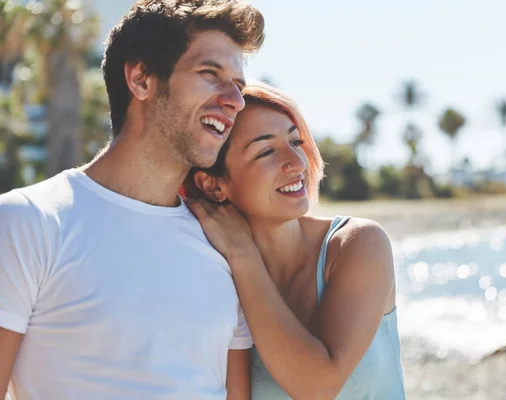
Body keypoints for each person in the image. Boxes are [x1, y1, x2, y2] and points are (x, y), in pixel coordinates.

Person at [0, 1, 264, 399]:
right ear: (141, 79)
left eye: (239, 87)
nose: (235, 101)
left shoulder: (226, 243)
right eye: (211, 74)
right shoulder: (28, 221)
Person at [184, 82, 406, 399]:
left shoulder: (357, 244)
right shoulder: (215, 276)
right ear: (213, 185)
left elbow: (318, 385)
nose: (297, 163)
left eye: (295, 141)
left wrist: (243, 253)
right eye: (266, 151)